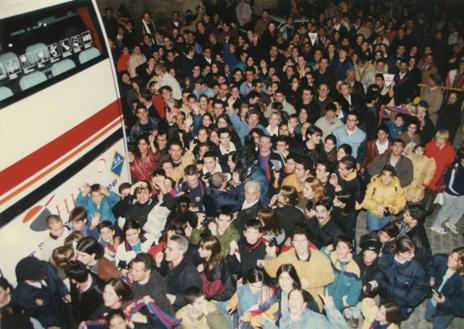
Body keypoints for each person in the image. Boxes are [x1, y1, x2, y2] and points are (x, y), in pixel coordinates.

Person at [264, 226, 335, 311]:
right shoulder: (286, 256)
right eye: (297, 241)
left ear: (308, 242)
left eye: (303, 240)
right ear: (292, 242)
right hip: (291, 299)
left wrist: (310, 282)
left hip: (313, 301)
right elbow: (272, 272)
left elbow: (330, 276)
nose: (300, 244)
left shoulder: (320, 257)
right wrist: (270, 255)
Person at [372, 237, 428, 319]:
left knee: (395, 321)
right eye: (409, 253)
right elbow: (378, 273)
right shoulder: (385, 260)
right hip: (385, 299)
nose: (413, 255)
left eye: (413, 251)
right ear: (400, 253)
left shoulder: (416, 269)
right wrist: (377, 281)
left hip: (401, 305)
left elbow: (422, 287)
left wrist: (408, 300)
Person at [12, 256, 69, 329]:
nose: (45, 274)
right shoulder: (20, 296)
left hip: (64, 313)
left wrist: (65, 293)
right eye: (40, 274)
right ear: (26, 280)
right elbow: (26, 319)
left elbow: (57, 281)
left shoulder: (44, 267)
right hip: (51, 325)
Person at [261, 288, 349, 329]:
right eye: (291, 298)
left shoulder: (315, 320)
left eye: (298, 298)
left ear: (304, 304)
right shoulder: (284, 320)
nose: (293, 301)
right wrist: (266, 323)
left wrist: (331, 309)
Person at [322, 237, 362, 327]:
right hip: (327, 294)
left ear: (350, 250)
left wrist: (350, 301)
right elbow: (321, 255)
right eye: (338, 247)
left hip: (340, 299)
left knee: (335, 317)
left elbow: (356, 286)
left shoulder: (354, 268)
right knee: (323, 314)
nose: (340, 250)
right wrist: (326, 249)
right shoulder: (332, 256)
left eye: (344, 248)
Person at [424, 247, 464, 329]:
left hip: (446, 311)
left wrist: (445, 301)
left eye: (454, 260)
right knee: (428, 316)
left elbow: (461, 305)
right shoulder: (440, 259)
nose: (449, 259)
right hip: (433, 298)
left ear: (462, 264)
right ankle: (430, 319)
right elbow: (430, 265)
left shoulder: (462, 280)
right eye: (451, 256)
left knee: (438, 326)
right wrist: (431, 276)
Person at [358, 165, 406, 232]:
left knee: (382, 232)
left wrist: (392, 210)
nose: (386, 178)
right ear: (381, 175)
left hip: (386, 215)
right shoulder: (373, 185)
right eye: (384, 175)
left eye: (389, 176)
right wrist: (376, 206)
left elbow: (401, 202)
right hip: (373, 212)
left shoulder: (396, 187)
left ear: (393, 177)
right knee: (374, 233)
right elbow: (365, 200)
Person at [162, 234, 202, 310]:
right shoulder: (169, 262)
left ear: (181, 251)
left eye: (170, 249)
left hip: (179, 309)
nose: (166, 251)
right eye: (166, 247)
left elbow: (196, 298)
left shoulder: (189, 273)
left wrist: (176, 299)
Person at [431, 147, 464, 235]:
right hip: (451, 193)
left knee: (461, 208)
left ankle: (451, 222)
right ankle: (436, 225)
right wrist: (459, 192)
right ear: (462, 158)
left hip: (461, 193)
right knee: (447, 210)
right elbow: (450, 184)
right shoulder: (455, 167)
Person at [129, 253, 174, 318]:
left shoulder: (157, 289)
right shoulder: (137, 277)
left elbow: (170, 315)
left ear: (147, 272)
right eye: (132, 268)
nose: (132, 273)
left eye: (136, 271)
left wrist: (153, 307)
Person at [197, 236, 236, 301]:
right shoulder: (209, 258)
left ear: (211, 251)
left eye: (202, 249)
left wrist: (201, 273)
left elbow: (209, 293)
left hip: (224, 295)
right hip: (214, 288)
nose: (198, 250)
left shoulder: (218, 269)